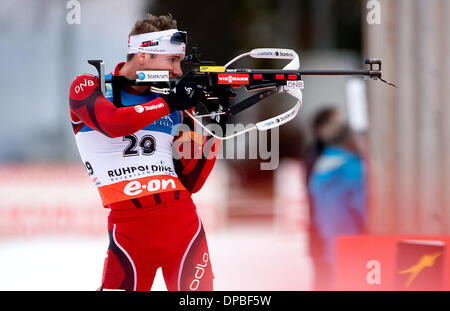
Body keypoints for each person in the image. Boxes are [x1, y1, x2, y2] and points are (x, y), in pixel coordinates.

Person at [69, 13, 221, 291]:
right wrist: (169, 103)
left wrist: (216, 123)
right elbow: (112, 123)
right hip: (129, 228)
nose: (177, 71)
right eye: (171, 60)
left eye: (180, 61)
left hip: (182, 221)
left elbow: (192, 181)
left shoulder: (174, 103)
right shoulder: (89, 87)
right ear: (143, 55)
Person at [305, 107, 366, 290]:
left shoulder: (320, 164)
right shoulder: (353, 168)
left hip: (326, 242)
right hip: (354, 246)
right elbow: (365, 210)